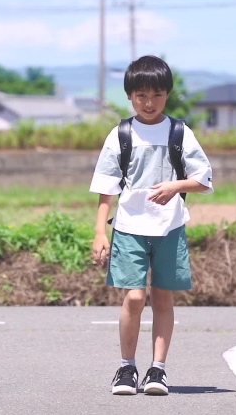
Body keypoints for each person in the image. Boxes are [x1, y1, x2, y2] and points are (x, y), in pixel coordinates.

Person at [89, 55, 214, 396]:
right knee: (133, 297)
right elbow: (106, 188)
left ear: (167, 94)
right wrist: (100, 232)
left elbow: (204, 180)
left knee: (162, 298)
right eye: (141, 95)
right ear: (129, 95)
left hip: (170, 228)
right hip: (129, 227)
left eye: (157, 95)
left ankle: (157, 370)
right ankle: (126, 367)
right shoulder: (121, 134)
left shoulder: (180, 132)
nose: (149, 102)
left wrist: (176, 186)